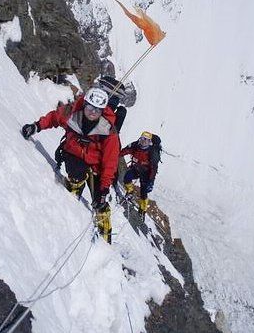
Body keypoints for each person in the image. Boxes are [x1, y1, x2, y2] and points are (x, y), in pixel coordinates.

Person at [21, 87, 120, 242]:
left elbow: (110, 161)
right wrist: (36, 126)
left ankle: (105, 239)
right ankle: (71, 203)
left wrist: (104, 188)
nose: (92, 112)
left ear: (102, 111)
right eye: (90, 107)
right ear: (85, 104)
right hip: (74, 156)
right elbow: (54, 117)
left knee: (100, 203)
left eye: (97, 110)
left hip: (96, 166)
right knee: (76, 175)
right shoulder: (72, 113)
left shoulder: (108, 131)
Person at [120, 131, 161, 220]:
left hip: (146, 173)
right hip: (136, 168)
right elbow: (125, 150)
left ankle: (142, 210)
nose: (143, 141)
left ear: (150, 142)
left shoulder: (152, 152)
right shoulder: (135, 145)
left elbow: (153, 169)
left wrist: (151, 181)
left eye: (146, 140)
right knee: (127, 177)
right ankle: (130, 192)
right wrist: (116, 155)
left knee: (144, 191)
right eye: (142, 138)